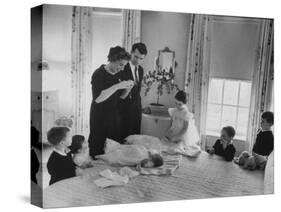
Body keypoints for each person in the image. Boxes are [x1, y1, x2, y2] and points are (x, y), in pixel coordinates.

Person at [88, 46, 134, 159]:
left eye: (124, 65)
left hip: (113, 115)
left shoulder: (120, 74)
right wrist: (117, 86)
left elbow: (121, 97)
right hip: (99, 115)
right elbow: (98, 99)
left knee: (112, 149)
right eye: (121, 65)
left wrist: (128, 89)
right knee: (98, 149)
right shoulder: (98, 74)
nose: (122, 69)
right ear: (112, 60)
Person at [118, 43, 147, 140]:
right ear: (131, 53)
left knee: (135, 138)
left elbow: (137, 90)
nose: (138, 61)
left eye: (141, 59)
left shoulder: (141, 70)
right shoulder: (122, 67)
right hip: (124, 109)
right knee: (124, 139)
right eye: (136, 57)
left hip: (136, 109)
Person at [163, 90, 201, 157]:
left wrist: (177, 136)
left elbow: (185, 128)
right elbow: (171, 123)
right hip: (174, 130)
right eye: (176, 103)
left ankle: (191, 152)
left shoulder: (185, 113)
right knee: (166, 143)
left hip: (182, 133)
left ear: (184, 103)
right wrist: (167, 132)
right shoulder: (174, 111)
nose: (177, 106)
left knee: (180, 146)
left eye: (179, 104)